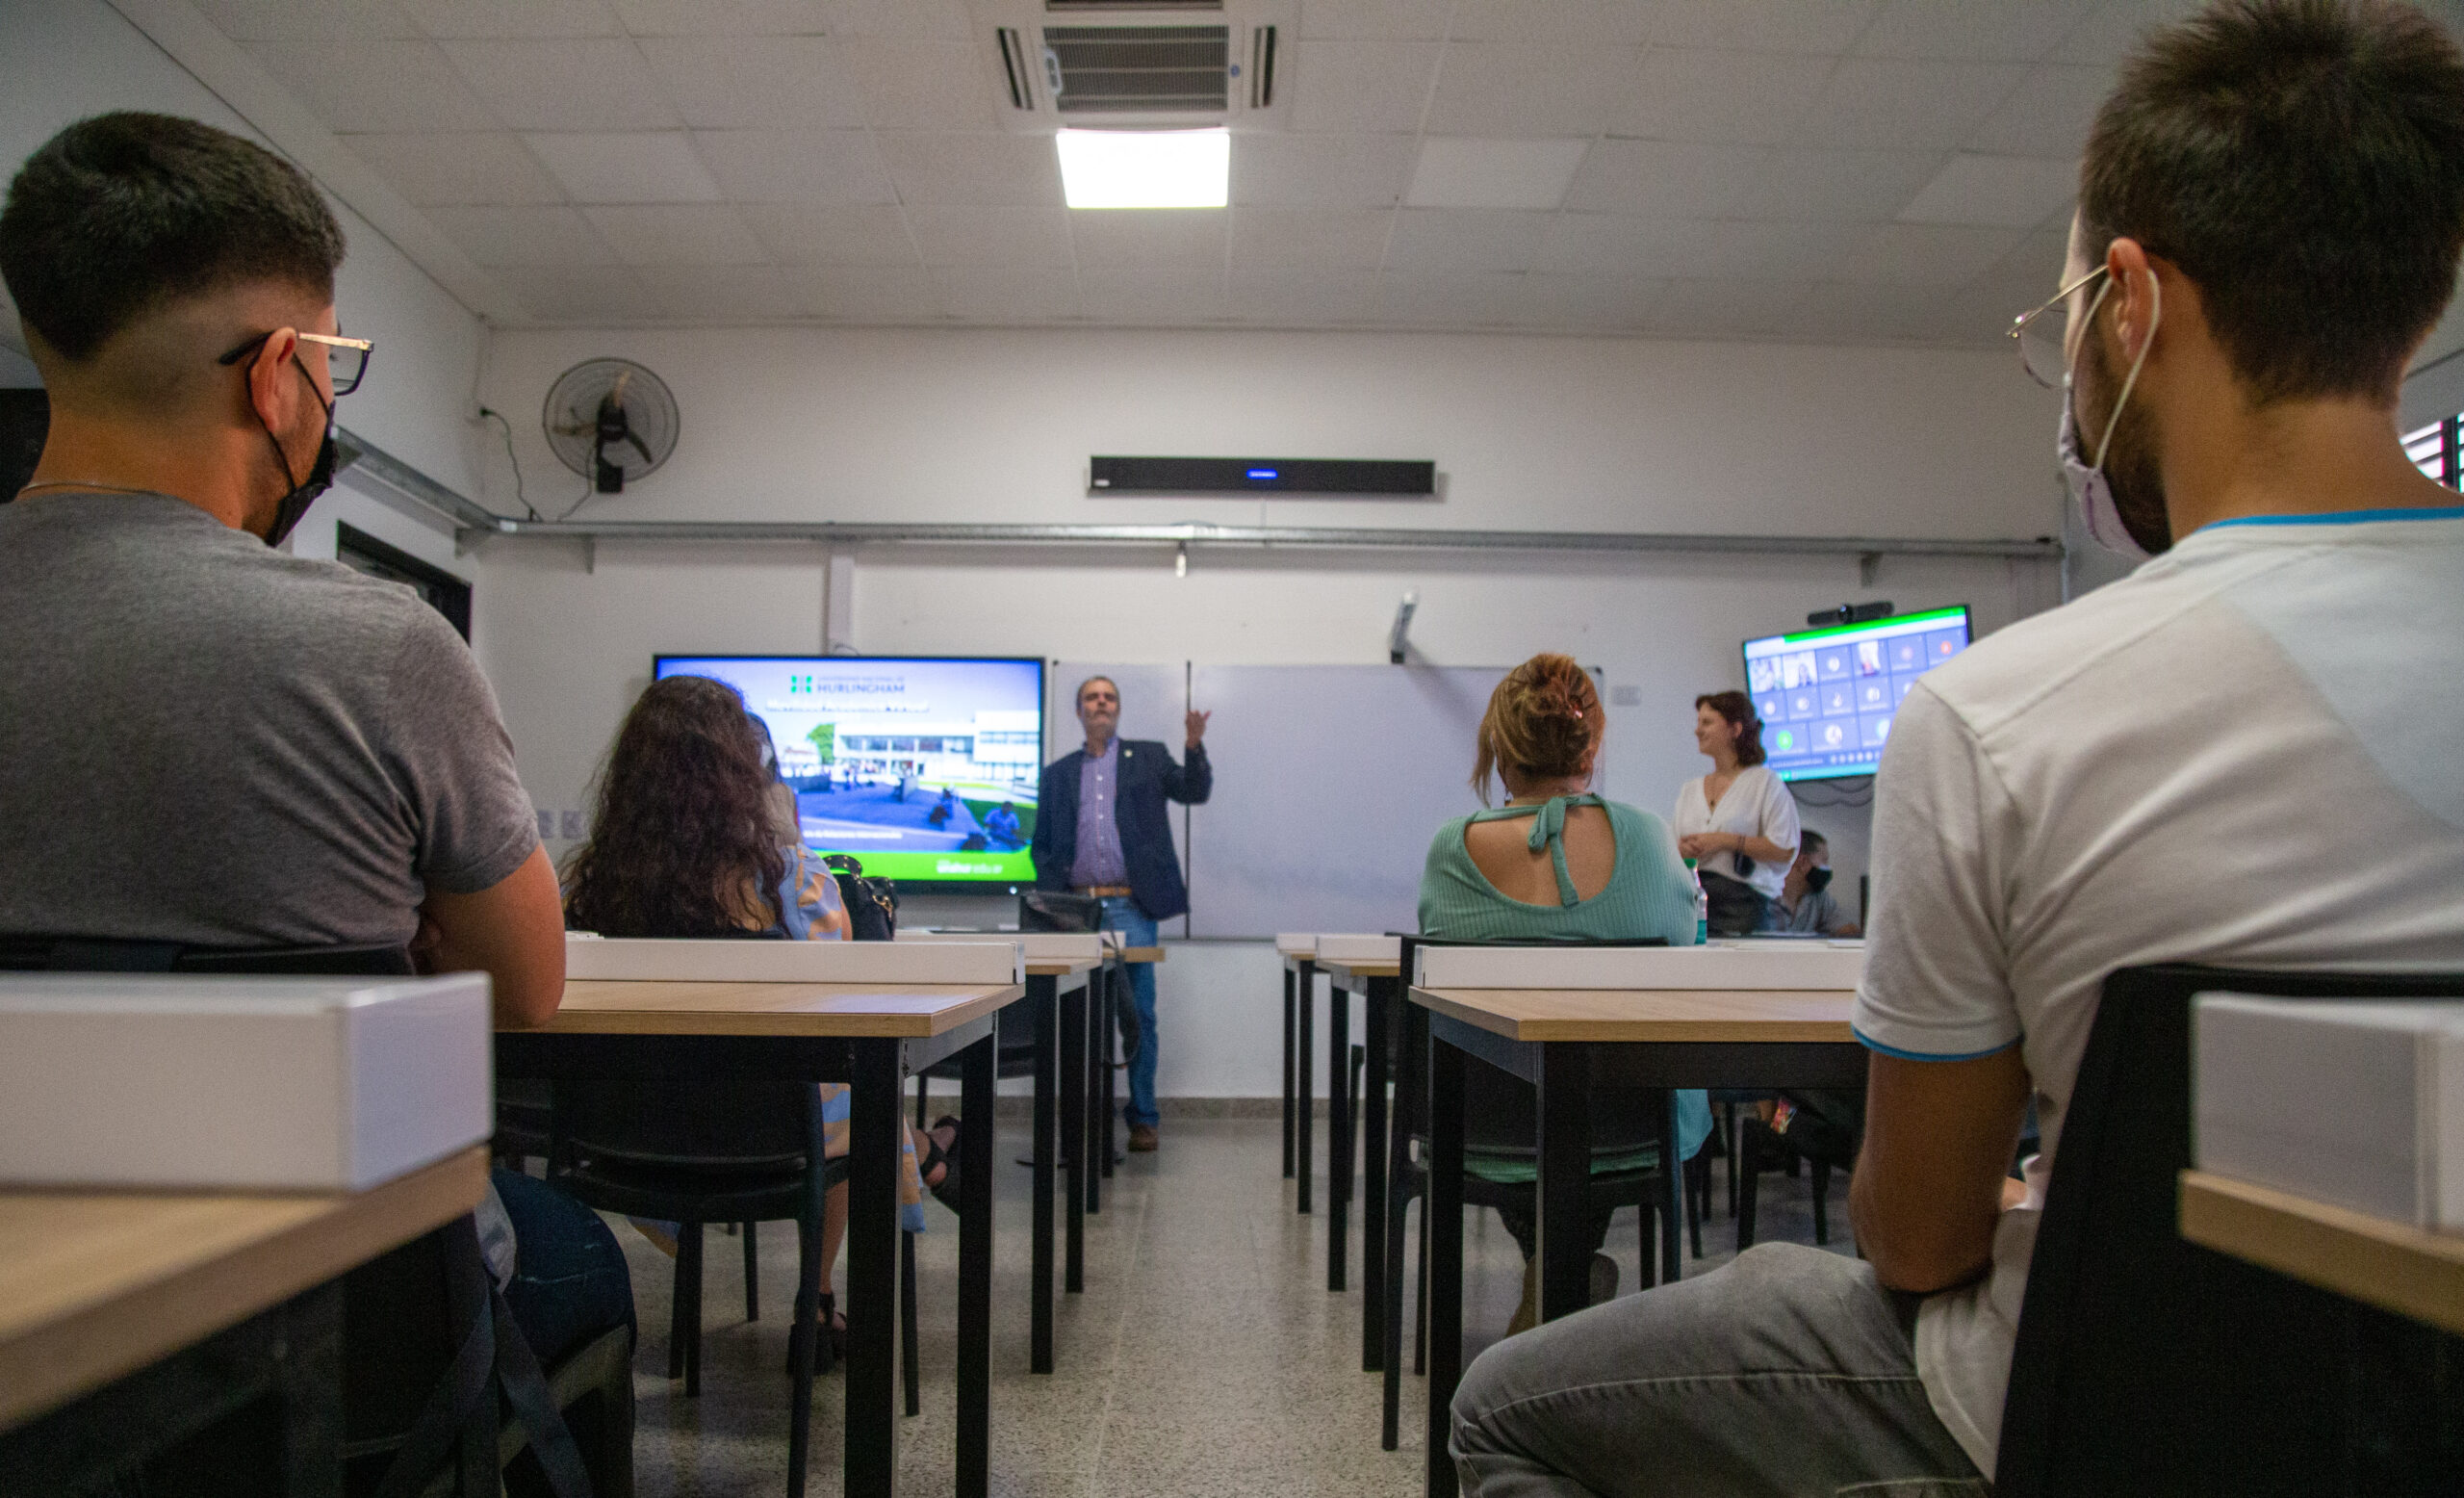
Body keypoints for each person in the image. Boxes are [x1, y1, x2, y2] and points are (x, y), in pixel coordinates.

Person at [1446, 5, 2464, 1492]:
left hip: (2078, 1415)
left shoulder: (2003, 715)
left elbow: (1919, 1242)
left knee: (1505, 1409)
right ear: (2413, 311)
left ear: (2130, 303)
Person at [0, 111, 624, 1372]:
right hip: (341, 1328)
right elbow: (524, 986)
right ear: (280, 371)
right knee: (581, 1257)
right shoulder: (378, 651)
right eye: (334, 365)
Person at [561, 675, 956, 1348]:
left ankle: (934, 1155)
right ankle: (817, 1297)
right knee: (857, 1096)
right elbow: (843, 996)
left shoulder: (590, 886)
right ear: (742, 771)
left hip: (622, 1139)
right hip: (773, 1138)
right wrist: (783, 834)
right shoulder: (790, 877)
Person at [1419, 653, 1707, 1332]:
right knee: (1589, 1103)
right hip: (1632, 1128)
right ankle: (1565, 1270)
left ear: (1497, 747)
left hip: (1487, 1129)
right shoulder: (1649, 837)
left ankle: (1554, 1273)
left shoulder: (1452, 850)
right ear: (1593, 745)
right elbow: (1685, 955)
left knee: (1535, 1105)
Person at [1031, 675, 1213, 1152]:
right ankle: (1087, 1116)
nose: (1101, 703)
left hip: (1132, 906)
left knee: (1138, 1016)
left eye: (1108, 697)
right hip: (1078, 912)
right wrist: (1056, 904)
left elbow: (1195, 791)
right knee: (1080, 1016)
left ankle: (1143, 1118)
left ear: (1118, 709)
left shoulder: (1149, 758)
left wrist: (1194, 746)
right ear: (1079, 711)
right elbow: (1043, 846)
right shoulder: (1058, 773)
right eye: (1092, 697)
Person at [1672, 691, 1800, 936]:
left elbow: (1784, 849)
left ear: (1735, 729)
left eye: (1707, 723)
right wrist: (1683, 850)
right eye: (1698, 723)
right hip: (1693, 905)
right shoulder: (1690, 790)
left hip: (1747, 907)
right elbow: (1674, 847)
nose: (1698, 731)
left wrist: (1722, 841)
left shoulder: (1765, 783)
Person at [1772, 829, 1859, 937]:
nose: (1828, 868)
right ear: (1803, 862)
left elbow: (1848, 931)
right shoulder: (1763, 899)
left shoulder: (1820, 898)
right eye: (1824, 861)